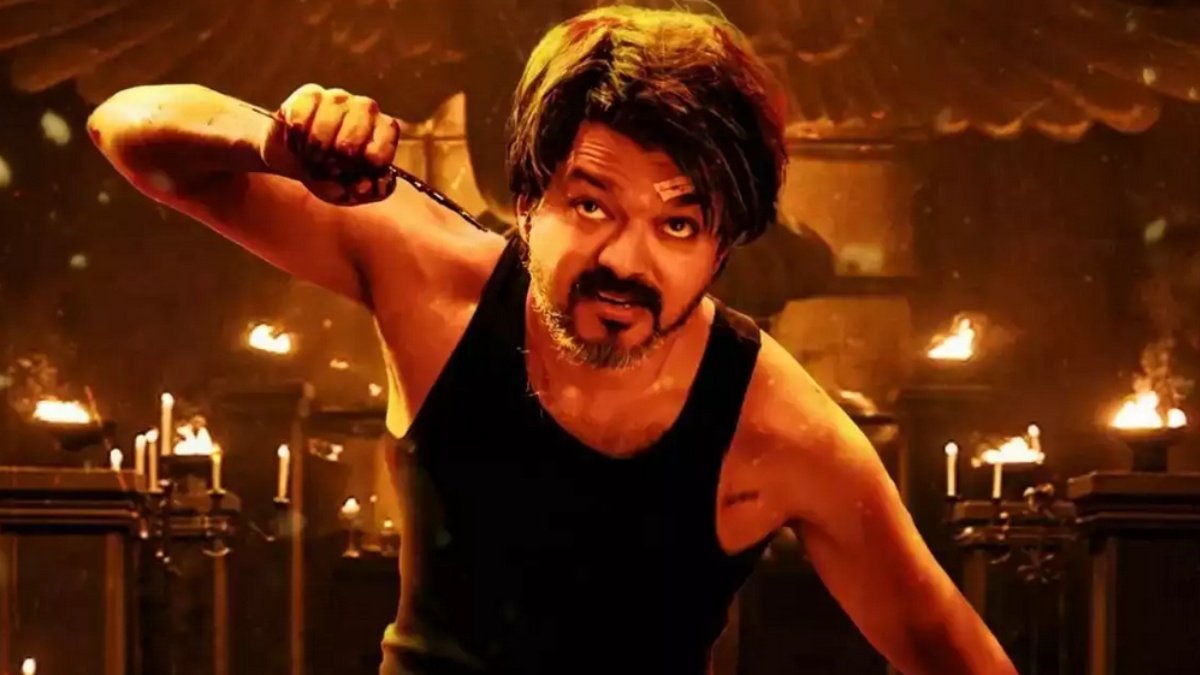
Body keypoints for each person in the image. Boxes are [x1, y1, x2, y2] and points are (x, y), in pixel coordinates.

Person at [88, 5, 1015, 674]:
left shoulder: (779, 429)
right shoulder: (436, 282)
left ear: (725, 244)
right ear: (528, 197)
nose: (626, 260)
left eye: (678, 223)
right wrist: (275, 143)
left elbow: (954, 650)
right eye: (591, 204)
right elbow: (127, 129)